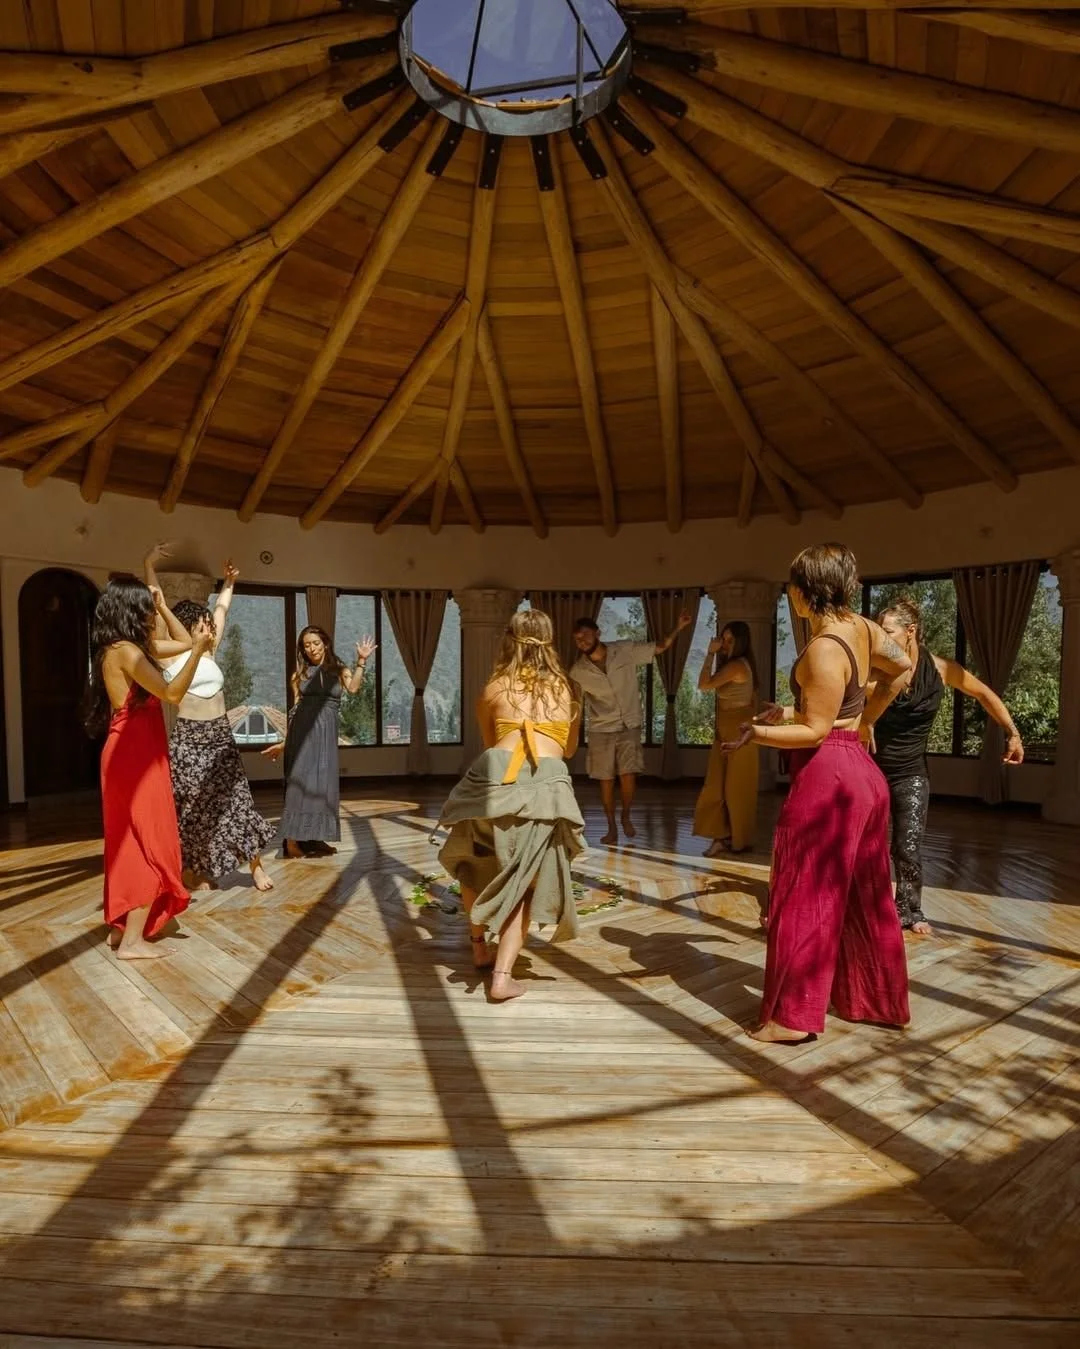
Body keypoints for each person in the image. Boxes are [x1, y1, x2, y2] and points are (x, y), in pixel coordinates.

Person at [721, 544, 912, 1043]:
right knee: (868, 898)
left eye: (791, 586)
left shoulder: (824, 647)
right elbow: (903, 670)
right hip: (863, 777)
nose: (789, 594)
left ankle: (791, 1020)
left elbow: (814, 732)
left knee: (804, 894)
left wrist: (754, 735)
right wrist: (861, 718)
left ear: (804, 592)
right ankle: (875, 1002)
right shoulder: (866, 629)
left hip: (830, 782)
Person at [437, 608, 584, 1002]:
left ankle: (479, 948)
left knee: (473, 861)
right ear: (551, 642)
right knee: (525, 881)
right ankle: (502, 978)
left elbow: (489, 742)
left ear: (508, 640)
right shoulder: (567, 691)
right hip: (543, 783)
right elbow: (567, 750)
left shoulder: (493, 688)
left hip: (493, 777)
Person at [866, 597, 1024, 936]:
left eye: (887, 631)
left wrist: (1012, 732)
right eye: (878, 630)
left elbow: (984, 694)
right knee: (867, 845)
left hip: (911, 772)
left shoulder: (939, 669)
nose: (881, 637)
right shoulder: (875, 668)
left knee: (907, 846)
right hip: (870, 768)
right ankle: (865, 908)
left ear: (911, 631)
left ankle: (909, 911)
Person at [86, 575, 213, 959]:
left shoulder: (122, 647)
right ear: (129, 608)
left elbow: (186, 640)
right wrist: (200, 653)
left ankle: (123, 929)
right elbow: (173, 693)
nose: (148, 612)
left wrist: (162, 607)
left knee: (131, 844)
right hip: (134, 757)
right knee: (148, 843)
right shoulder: (129, 652)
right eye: (144, 606)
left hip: (132, 754)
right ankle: (132, 941)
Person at [144, 552, 277, 894]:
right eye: (203, 622)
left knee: (238, 802)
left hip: (220, 737)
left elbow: (223, 608)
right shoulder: (170, 654)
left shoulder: (209, 650)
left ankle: (256, 867)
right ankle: (194, 871)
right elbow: (158, 601)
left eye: (210, 623)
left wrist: (230, 582)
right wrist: (149, 565)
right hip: (188, 741)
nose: (210, 626)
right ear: (189, 624)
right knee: (191, 809)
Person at [569, 609, 692, 846]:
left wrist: (678, 626)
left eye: (585, 635)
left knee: (628, 775)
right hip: (601, 729)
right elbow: (574, 704)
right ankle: (611, 826)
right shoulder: (578, 671)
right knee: (605, 779)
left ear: (597, 633)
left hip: (629, 724)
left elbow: (660, 647)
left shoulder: (623, 651)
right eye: (577, 639)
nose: (582, 641)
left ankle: (625, 815)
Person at [262, 624, 376, 858]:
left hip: (325, 737)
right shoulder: (299, 676)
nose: (311, 649)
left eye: (315, 643)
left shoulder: (339, 670)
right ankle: (291, 841)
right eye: (306, 645)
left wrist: (361, 661)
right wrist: (285, 743)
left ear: (325, 643)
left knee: (323, 787)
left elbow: (353, 688)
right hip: (301, 735)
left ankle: (316, 838)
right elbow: (293, 711)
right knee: (298, 785)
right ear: (302, 650)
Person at [692, 621, 759, 857]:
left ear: (741, 643)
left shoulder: (738, 666)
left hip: (739, 729)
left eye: (730, 640)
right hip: (726, 728)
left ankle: (738, 839)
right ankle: (720, 837)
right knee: (716, 786)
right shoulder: (732, 665)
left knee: (736, 790)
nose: (724, 644)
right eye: (723, 639)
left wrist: (709, 654)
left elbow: (703, 685)